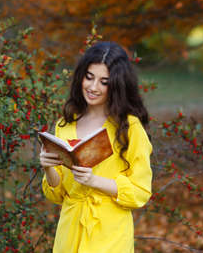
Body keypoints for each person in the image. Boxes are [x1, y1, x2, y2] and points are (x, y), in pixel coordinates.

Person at [40, 41, 153, 253]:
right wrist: (47, 167)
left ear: (117, 84)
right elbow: (57, 194)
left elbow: (140, 191)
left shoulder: (129, 127)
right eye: (89, 77)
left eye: (104, 82)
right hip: (69, 231)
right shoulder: (65, 124)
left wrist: (93, 180)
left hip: (109, 233)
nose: (93, 87)